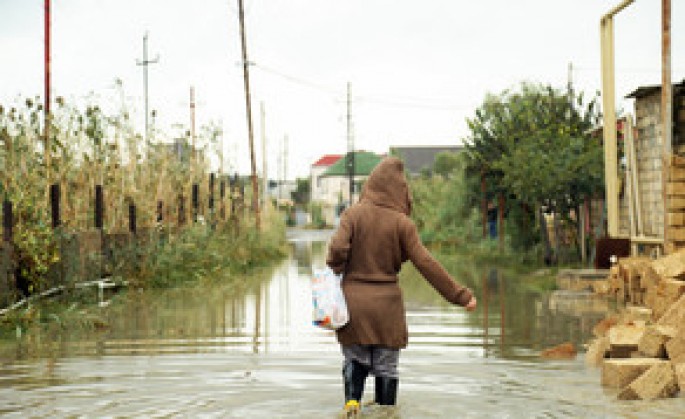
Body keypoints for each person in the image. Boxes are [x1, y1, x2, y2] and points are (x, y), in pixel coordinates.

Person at [326, 157, 477, 414]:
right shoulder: (402, 224)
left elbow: (338, 249)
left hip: (354, 308)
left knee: (354, 359)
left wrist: (337, 265)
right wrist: (461, 296)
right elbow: (426, 263)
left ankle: (352, 403)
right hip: (387, 310)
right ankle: (386, 412)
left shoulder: (353, 214)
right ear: (401, 191)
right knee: (386, 368)